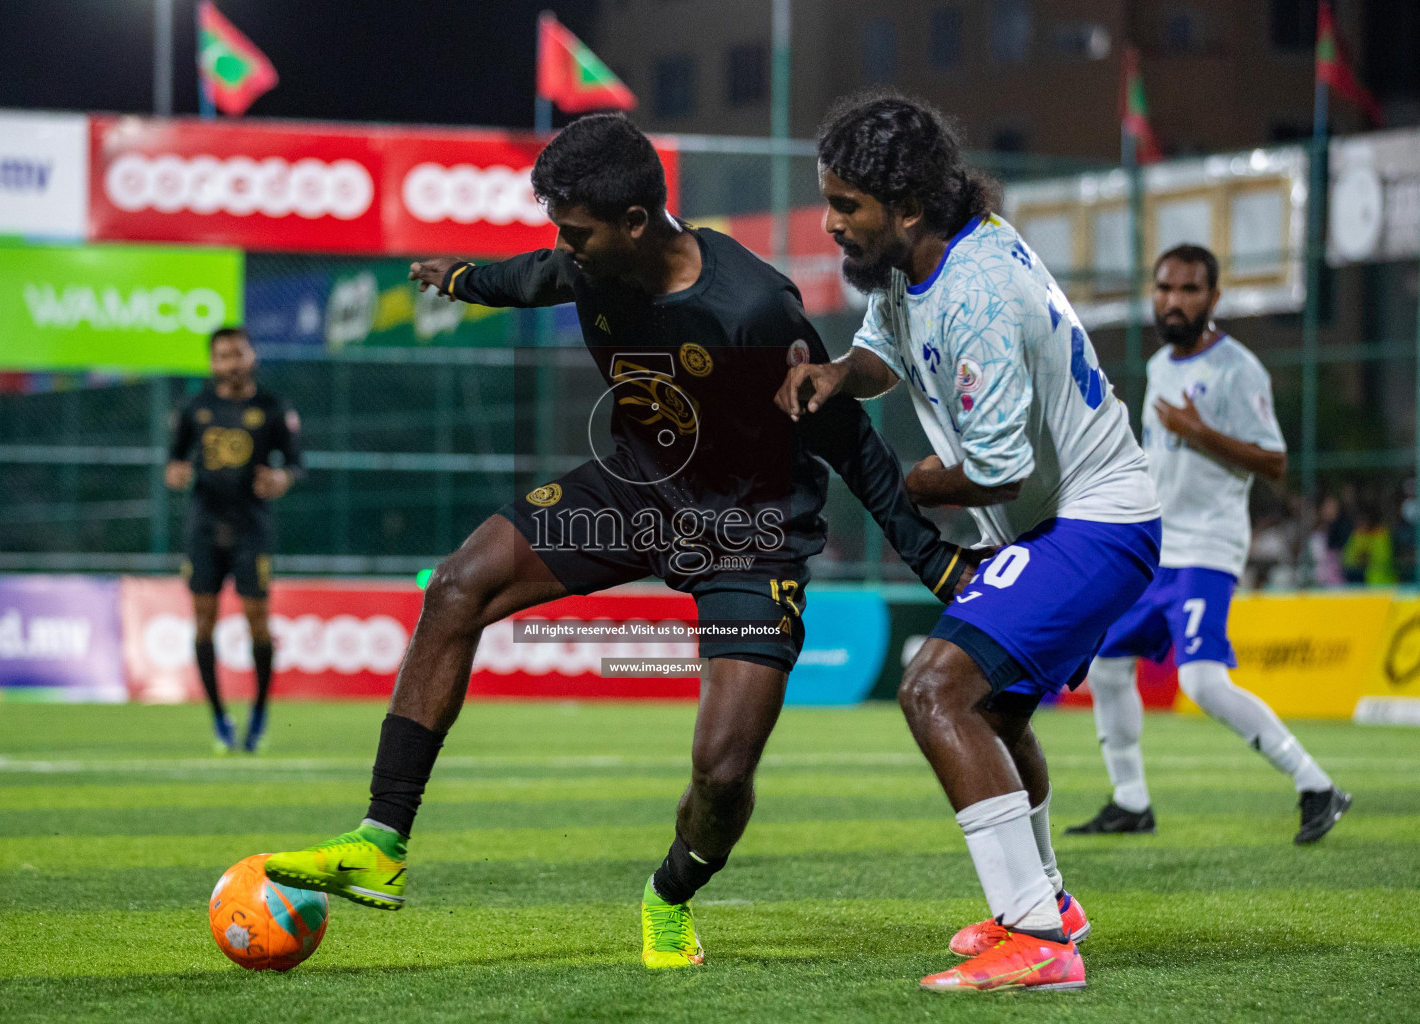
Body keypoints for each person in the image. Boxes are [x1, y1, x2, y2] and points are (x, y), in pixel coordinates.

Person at [263, 113, 977, 970]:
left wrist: (928, 554)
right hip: (635, 489)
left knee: (720, 774)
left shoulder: (750, 307)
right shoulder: (595, 262)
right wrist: (462, 279)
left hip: (752, 532)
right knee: (457, 585)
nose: (566, 248)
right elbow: (537, 276)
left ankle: (670, 893)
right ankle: (382, 841)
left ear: (636, 223)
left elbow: (844, 434)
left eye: (578, 232)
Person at [777, 91, 1162, 993]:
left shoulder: (979, 291)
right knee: (989, 713)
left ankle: (1037, 940)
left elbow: (993, 468)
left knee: (933, 688)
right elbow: (884, 348)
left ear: (906, 208)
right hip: (1062, 524)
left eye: (846, 207)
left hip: (1093, 524)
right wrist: (839, 377)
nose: (830, 223)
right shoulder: (924, 259)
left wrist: (907, 482)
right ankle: (1048, 905)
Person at [1071, 246, 1349, 845]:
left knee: (1201, 684)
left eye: (1190, 289)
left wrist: (1198, 431)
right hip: (1155, 546)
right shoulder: (1163, 365)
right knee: (1109, 665)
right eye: (1165, 288)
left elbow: (1273, 460)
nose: (1174, 300)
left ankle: (1317, 785)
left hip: (1206, 549)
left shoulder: (1238, 368)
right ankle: (1130, 800)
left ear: (1213, 299)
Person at [165, 327, 303, 754]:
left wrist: (283, 477)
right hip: (204, 527)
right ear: (212, 363)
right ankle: (219, 717)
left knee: (257, 623)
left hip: (251, 528)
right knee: (204, 622)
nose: (231, 362)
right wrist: (176, 473)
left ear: (252, 356)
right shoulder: (195, 408)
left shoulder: (275, 409)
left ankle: (259, 711)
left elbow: (297, 465)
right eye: (222, 356)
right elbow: (173, 462)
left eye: (238, 353)